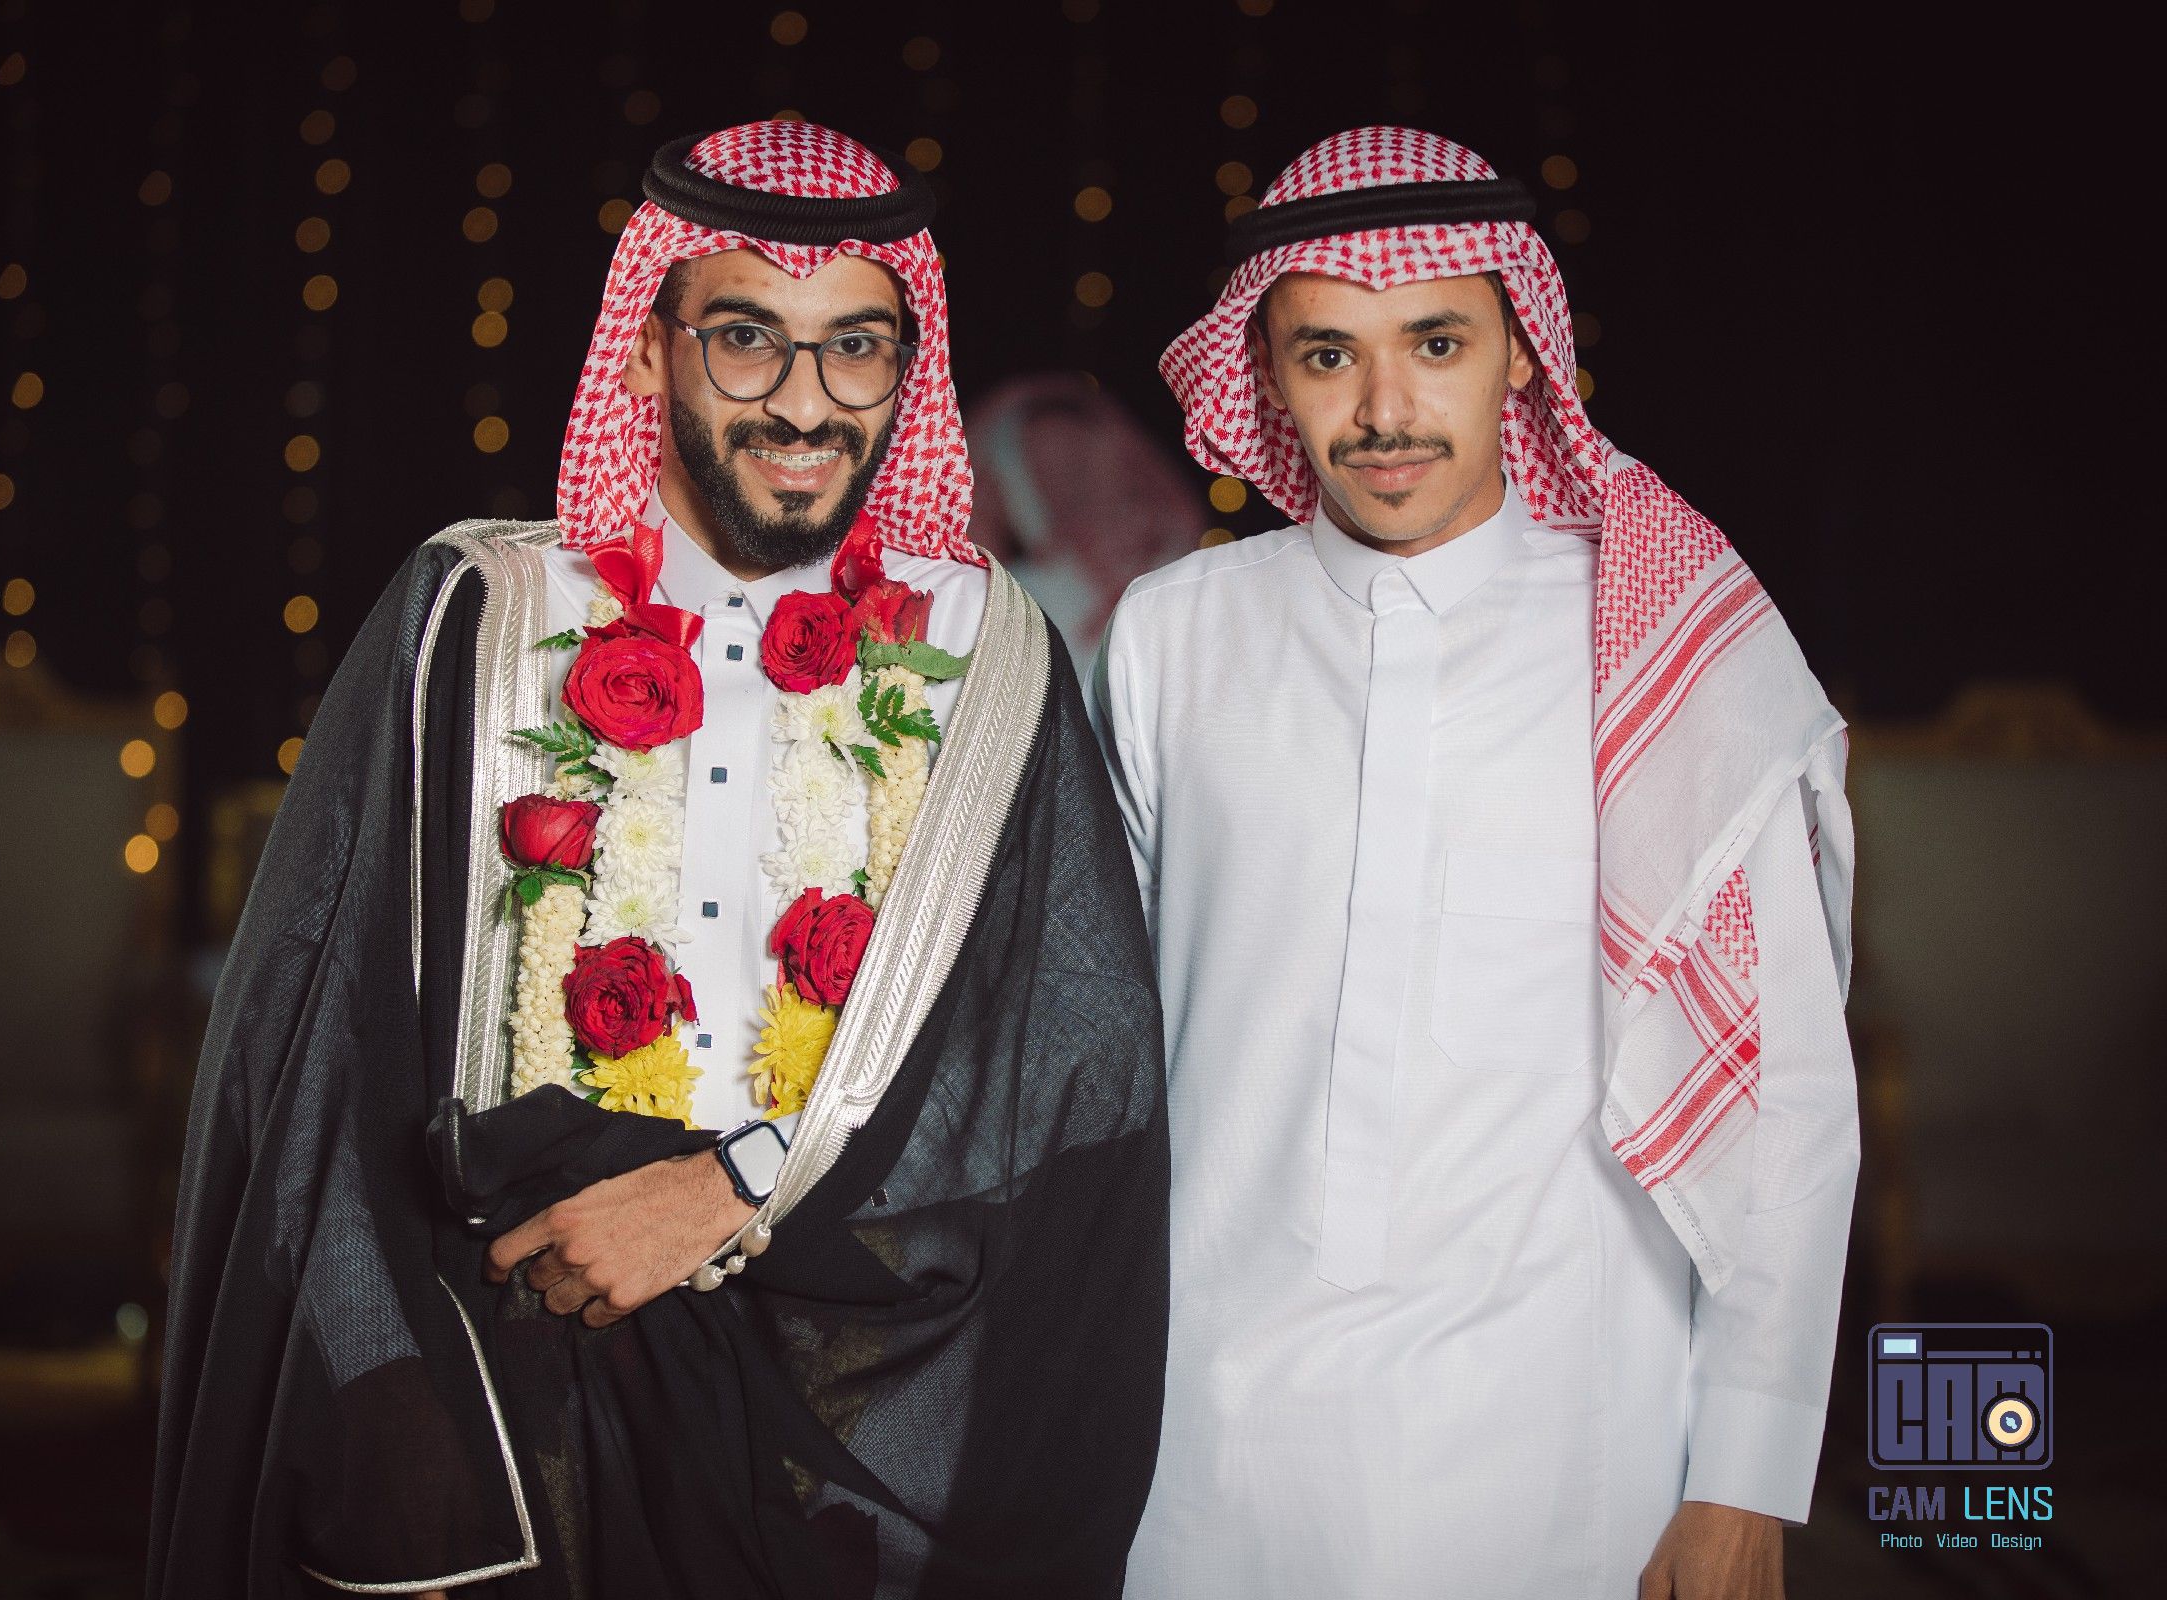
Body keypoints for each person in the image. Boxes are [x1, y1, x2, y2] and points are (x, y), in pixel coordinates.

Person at [150, 121, 1168, 1600]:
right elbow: (323, 1050)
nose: (805, 402)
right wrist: (387, 1401)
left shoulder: (979, 649)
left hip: (848, 1385)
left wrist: (736, 1187)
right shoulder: (483, 615)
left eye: (856, 348)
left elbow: (1060, 1063)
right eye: (748, 339)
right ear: (645, 347)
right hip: (521, 1358)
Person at [1093, 126, 1857, 1598]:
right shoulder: (1174, 636)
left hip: (1574, 1433)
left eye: (1435, 343)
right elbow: (1092, 1044)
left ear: (1520, 356)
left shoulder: (1666, 646)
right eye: (1328, 356)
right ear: (1267, 376)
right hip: (1210, 1436)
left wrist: (1745, 1478)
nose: (1385, 409)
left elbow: (1788, 1097)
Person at [963, 374, 1208, 679]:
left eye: (1076, 462)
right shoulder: (1029, 591)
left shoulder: (1165, 551)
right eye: (1044, 469)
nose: (1067, 484)